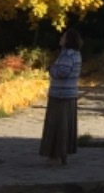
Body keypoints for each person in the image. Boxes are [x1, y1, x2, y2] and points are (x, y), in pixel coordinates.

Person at [39, 27, 82, 166]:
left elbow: (62, 72)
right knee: (66, 125)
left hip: (60, 94)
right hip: (70, 94)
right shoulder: (76, 54)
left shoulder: (66, 55)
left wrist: (51, 69)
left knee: (57, 125)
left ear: (68, 40)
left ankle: (55, 155)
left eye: (63, 37)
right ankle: (63, 153)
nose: (60, 38)